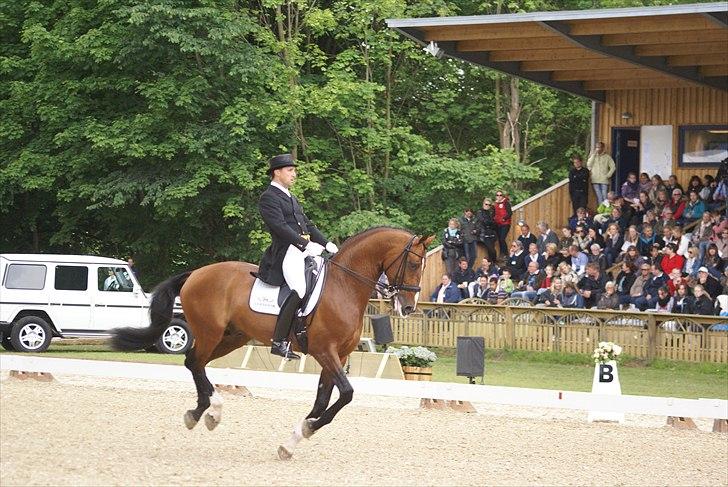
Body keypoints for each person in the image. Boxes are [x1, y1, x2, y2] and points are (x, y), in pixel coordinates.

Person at [258, 154, 337, 359]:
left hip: (304, 250)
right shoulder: (269, 197)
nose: (294, 174)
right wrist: (305, 244)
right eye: (290, 170)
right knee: (299, 289)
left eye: (294, 170)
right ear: (277, 172)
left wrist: (325, 242)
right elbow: (280, 227)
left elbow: (307, 225)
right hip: (287, 253)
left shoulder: (291, 197)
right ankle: (279, 341)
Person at [493, 190, 512, 258]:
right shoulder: (495, 204)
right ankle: (501, 253)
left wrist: (504, 219)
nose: (499, 196)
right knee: (499, 239)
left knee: (502, 239)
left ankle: (506, 254)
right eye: (497, 195)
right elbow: (493, 213)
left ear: (502, 196)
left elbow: (510, 213)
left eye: (500, 195)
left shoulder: (506, 202)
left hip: (505, 224)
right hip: (497, 224)